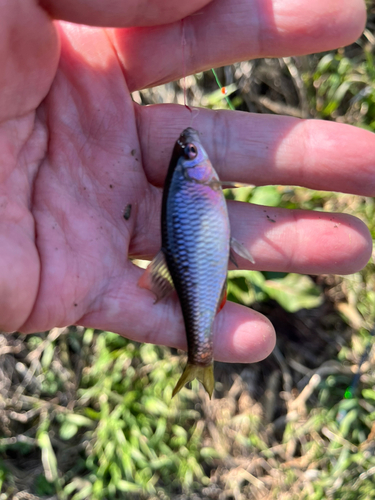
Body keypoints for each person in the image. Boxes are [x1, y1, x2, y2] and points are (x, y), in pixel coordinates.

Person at [1, 0, 373, 364]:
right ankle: (202, 353)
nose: (194, 148)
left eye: (190, 153)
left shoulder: (199, 187)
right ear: (198, 176)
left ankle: (201, 353)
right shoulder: (200, 186)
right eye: (191, 154)